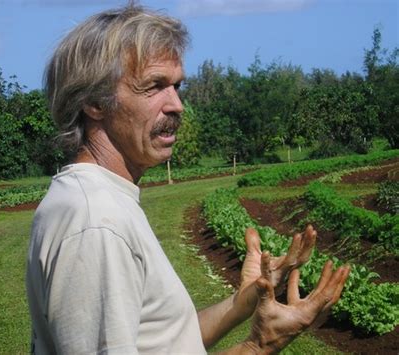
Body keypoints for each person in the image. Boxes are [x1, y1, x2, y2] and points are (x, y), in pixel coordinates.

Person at [25, 4, 350, 354]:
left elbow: (165, 341)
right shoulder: (97, 222)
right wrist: (258, 346)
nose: (177, 104)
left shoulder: (102, 201)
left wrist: (243, 302)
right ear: (94, 102)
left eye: (177, 86)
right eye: (154, 86)